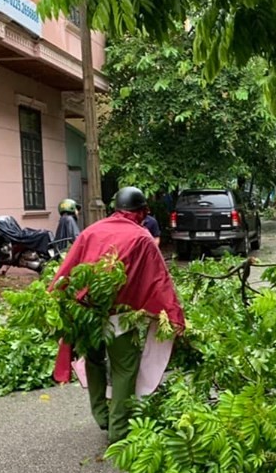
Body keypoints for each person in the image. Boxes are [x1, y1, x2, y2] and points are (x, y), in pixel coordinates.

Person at [50, 186, 185, 444]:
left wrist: (58, 305)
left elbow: (66, 271)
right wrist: (175, 315)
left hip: (84, 314)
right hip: (119, 318)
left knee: (94, 361)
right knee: (125, 369)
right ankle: (118, 430)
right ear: (142, 211)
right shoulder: (142, 238)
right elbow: (158, 281)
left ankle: (102, 416)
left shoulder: (91, 231)